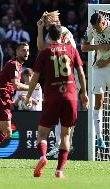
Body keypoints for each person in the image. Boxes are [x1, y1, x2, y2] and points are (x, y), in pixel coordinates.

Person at [25, 24, 89, 178]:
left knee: (42, 133)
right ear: (62, 36)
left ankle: (42, 157)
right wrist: (84, 93)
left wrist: (28, 95)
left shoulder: (45, 52)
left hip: (52, 97)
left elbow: (35, 77)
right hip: (70, 97)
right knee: (66, 136)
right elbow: (81, 72)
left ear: (49, 37)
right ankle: (59, 170)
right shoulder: (72, 50)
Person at [81, 12, 110, 153]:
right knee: (98, 101)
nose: (96, 30)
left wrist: (107, 61)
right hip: (98, 68)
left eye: (98, 28)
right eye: (94, 28)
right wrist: (98, 47)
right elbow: (84, 47)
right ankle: (99, 137)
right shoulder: (91, 29)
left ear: (103, 22)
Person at [37, 10, 78, 158]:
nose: (45, 23)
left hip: (68, 75)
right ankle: (60, 144)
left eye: (46, 21)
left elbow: (67, 52)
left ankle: (63, 142)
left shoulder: (64, 31)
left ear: (54, 21)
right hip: (60, 76)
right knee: (60, 114)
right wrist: (39, 28)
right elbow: (41, 48)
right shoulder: (49, 35)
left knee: (64, 114)